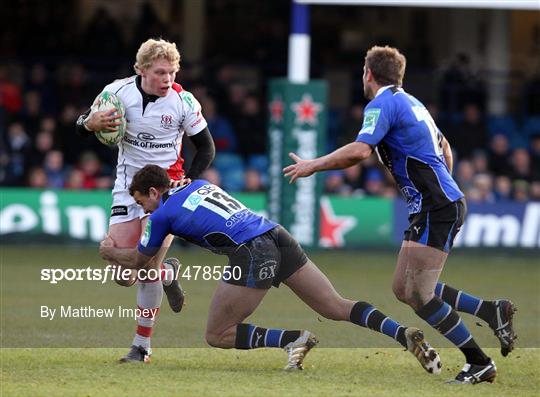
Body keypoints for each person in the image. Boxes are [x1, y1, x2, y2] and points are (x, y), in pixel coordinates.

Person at [283, 46, 516, 385]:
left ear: (368, 73)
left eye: (363, 70)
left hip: (436, 206)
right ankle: (489, 310)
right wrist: (436, 188)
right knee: (403, 288)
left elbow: (361, 150)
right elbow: (445, 147)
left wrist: (312, 165)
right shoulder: (412, 102)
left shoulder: (381, 104)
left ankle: (479, 362)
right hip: (434, 204)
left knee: (420, 293)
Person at [100, 164, 441, 373]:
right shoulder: (199, 184)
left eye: (141, 201)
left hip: (252, 251)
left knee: (217, 335)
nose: (141, 209)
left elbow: (140, 261)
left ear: (154, 192)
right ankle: (402, 333)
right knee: (335, 305)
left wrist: (110, 252)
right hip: (275, 234)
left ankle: (293, 340)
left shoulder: (160, 215)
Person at [75, 38, 215, 362]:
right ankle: (168, 273)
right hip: (127, 189)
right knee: (124, 275)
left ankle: (142, 347)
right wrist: (88, 123)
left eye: (172, 72)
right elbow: (82, 125)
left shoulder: (184, 101)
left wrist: (188, 178)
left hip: (163, 194)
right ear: (140, 70)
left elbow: (206, 148)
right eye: (161, 72)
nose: (168, 79)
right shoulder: (117, 93)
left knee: (146, 266)